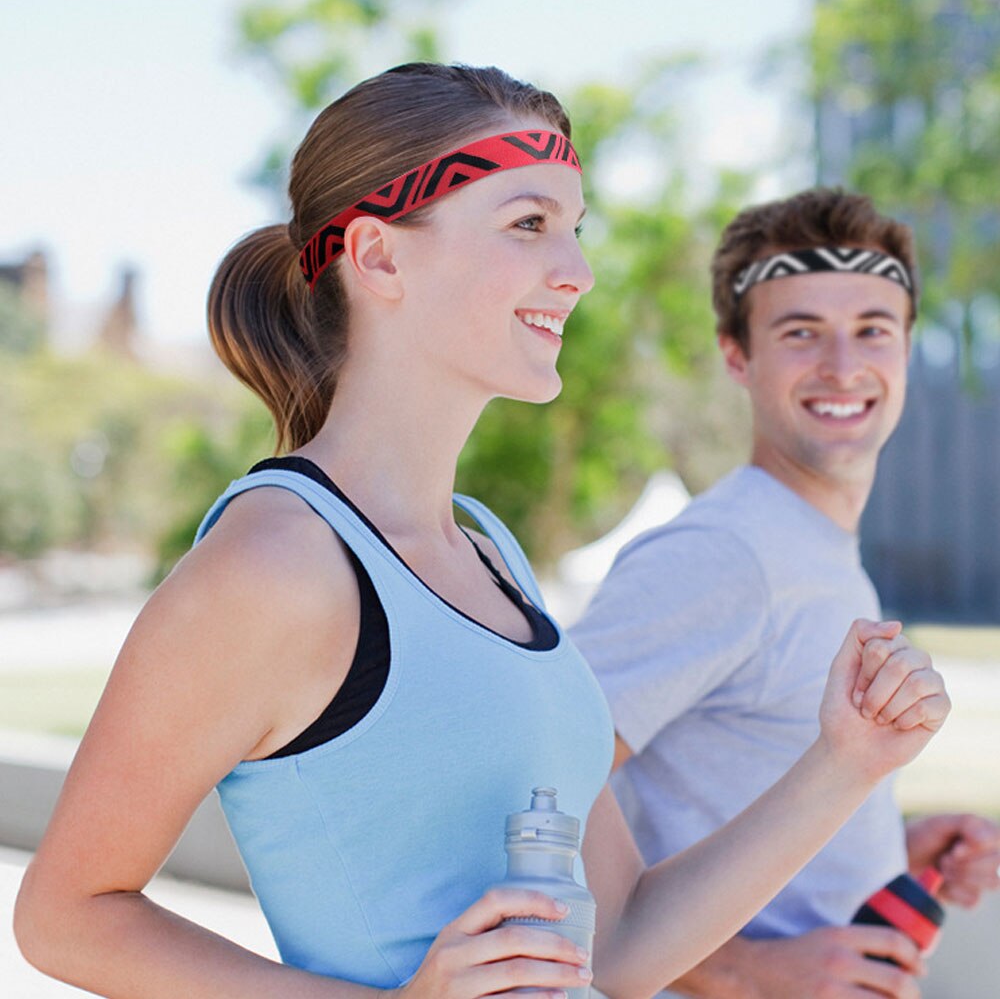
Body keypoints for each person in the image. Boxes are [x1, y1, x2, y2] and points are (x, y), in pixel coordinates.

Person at [14, 68, 950, 999]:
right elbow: (68, 916)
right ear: (379, 257)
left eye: (575, 229)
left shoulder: (491, 556)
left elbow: (617, 944)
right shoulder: (277, 563)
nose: (577, 271)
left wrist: (844, 763)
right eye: (529, 224)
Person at [570, 188, 1000, 998]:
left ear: (907, 347)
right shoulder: (724, 553)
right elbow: (529, 789)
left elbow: (734, 785)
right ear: (737, 356)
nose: (843, 366)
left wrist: (886, 848)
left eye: (871, 329)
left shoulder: (817, 549)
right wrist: (747, 972)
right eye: (801, 332)